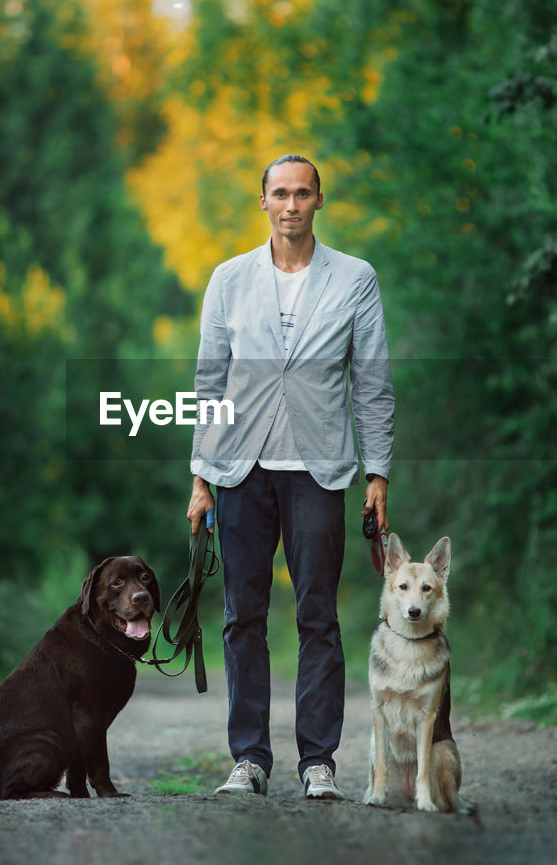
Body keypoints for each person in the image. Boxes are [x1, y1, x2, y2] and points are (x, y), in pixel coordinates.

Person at [186, 153, 395, 800]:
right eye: (280, 193)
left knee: (316, 616)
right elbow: (208, 381)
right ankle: (248, 759)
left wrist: (378, 472)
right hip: (239, 472)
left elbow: (373, 382)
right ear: (264, 202)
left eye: (303, 193)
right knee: (242, 616)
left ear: (319, 201)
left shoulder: (355, 279)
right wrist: (200, 478)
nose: (292, 204)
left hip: (318, 469)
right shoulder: (228, 279)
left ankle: (318, 763)